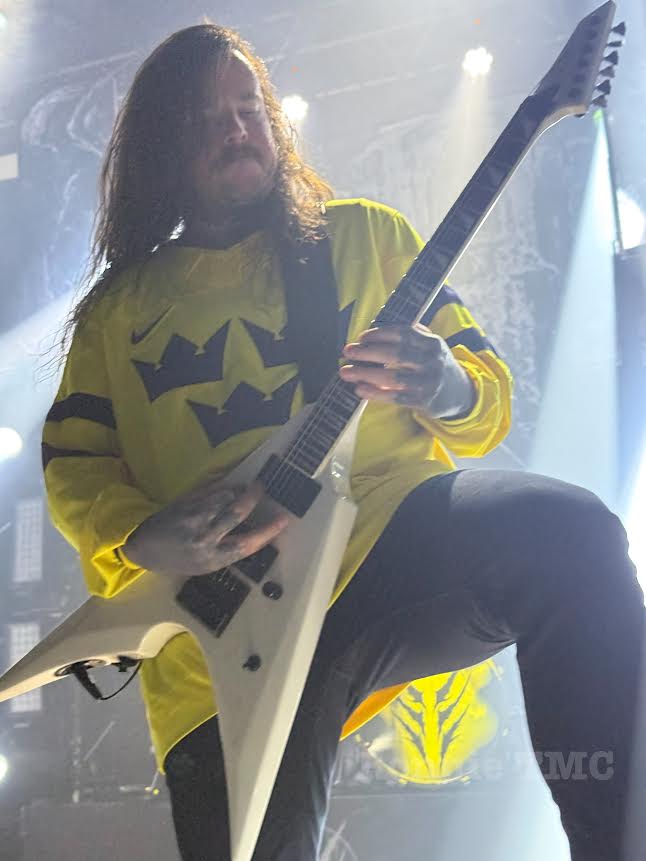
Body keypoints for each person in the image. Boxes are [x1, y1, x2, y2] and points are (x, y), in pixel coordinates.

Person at [42, 22, 644, 861]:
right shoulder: (117, 310)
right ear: (160, 148)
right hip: (214, 636)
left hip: (384, 538)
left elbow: (487, 401)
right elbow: (73, 467)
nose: (237, 128)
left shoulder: (366, 235)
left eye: (249, 107)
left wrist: (443, 380)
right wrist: (144, 534)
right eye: (207, 117)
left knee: (569, 537)